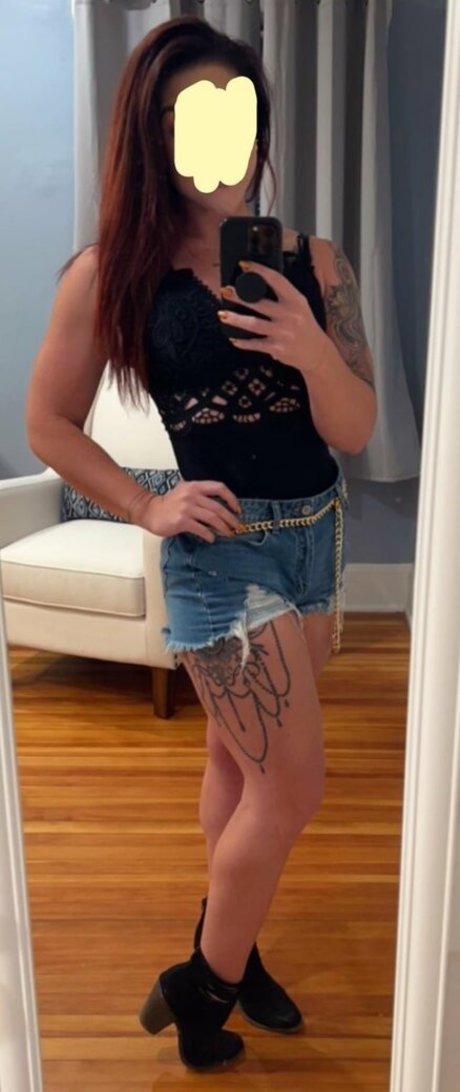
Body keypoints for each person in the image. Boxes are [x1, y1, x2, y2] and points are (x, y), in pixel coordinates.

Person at [25, 15, 377, 1075]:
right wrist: (146, 507)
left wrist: (310, 345)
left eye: (241, 114)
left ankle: (235, 939)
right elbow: (47, 423)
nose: (227, 142)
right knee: (292, 790)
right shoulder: (109, 275)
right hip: (219, 557)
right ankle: (203, 985)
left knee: (240, 763)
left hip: (315, 539)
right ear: (155, 135)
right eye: (197, 119)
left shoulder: (314, 262)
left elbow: (354, 427)